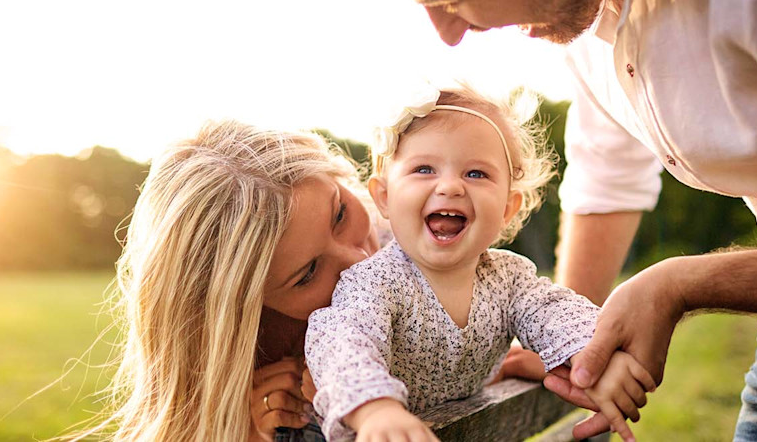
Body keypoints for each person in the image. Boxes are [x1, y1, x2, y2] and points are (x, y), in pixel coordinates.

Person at [334, 0, 757, 439]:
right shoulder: (582, 6)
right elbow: (606, 176)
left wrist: (684, 282)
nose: (448, 34)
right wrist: (573, 350)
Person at [75, 118, 546, 442]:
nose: (357, 255)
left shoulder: (409, 244)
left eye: (340, 212)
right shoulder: (247, 369)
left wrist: (483, 359)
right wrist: (251, 429)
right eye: (306, 274)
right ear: (243, 312)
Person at [305, 83, 655, 442]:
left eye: (476, 174)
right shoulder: (373, 283)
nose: (451, 187)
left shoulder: (509, 279)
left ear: (506, 208)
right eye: (425, 169)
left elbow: (557, 312)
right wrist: (375, 408)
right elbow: (342, 343)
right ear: (384, 197)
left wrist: (593, 355)